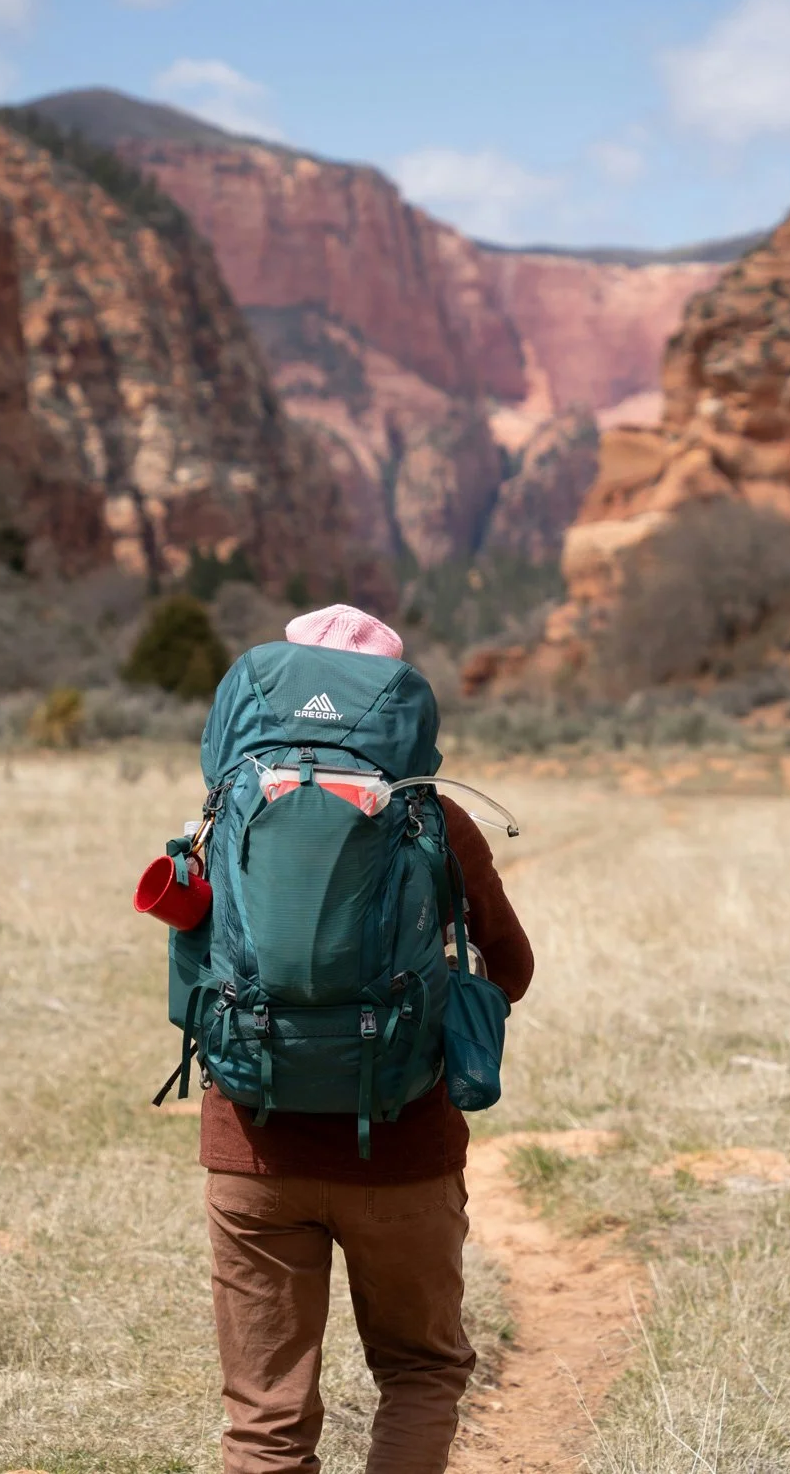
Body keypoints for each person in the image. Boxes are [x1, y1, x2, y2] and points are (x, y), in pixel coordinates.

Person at [198, 603, 535, 1474]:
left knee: (265, 1422)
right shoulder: (433, 819)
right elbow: (513, 966)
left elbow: (195, 966)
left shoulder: (228, 807)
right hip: (405, 1152)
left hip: (253, 1150)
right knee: (421, 1372)